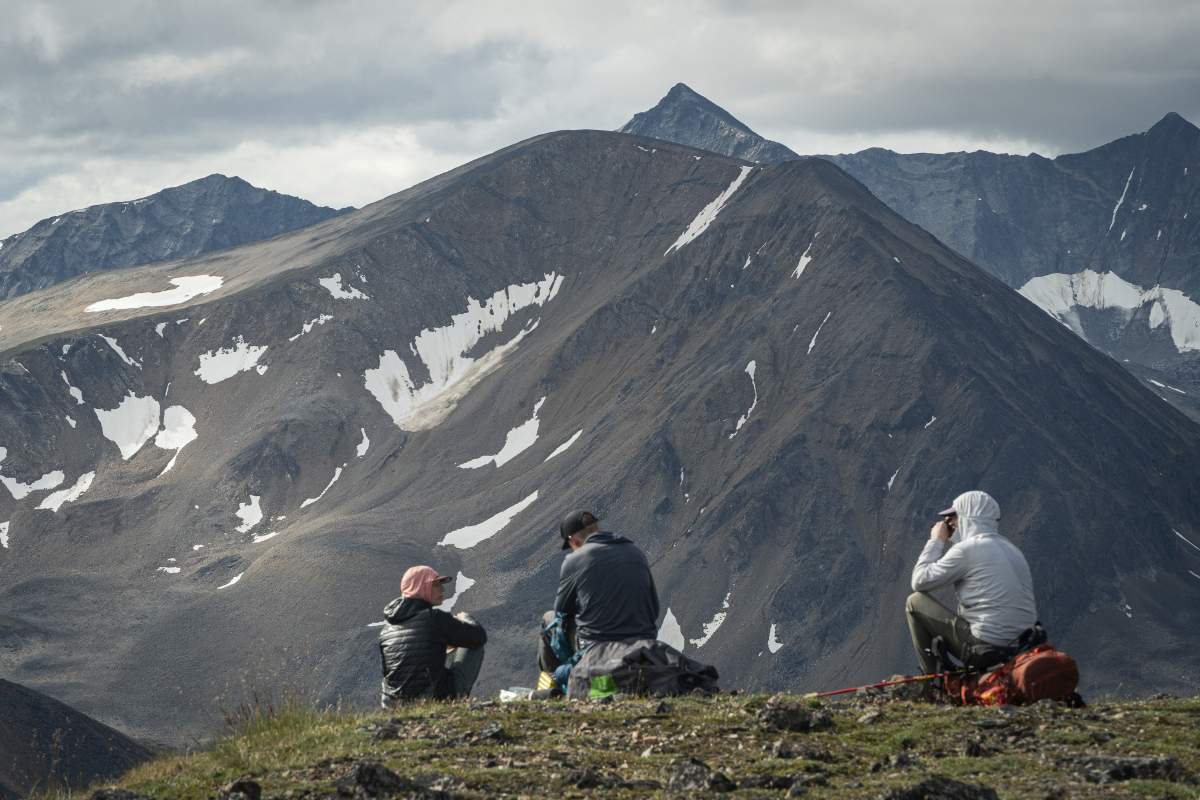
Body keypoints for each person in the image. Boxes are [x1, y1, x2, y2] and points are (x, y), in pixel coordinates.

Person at [906, 490, 1038, 675]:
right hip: (1022, 647)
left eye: (953, 517)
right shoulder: (1012, 549)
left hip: (985, 649)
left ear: (968, 517)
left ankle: (931, 682)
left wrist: (936, 540)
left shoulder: (968, 549)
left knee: (914, 602)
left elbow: (919, 581)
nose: (949, 523)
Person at [537, 510, 660, 690]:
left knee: (548, 620)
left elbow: (562, 609)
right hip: (644, 643)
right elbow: (654, 608)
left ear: (574, 540)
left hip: (599, 646)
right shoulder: (635, 551)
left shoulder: (575, 559)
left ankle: (557, 686)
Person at [379, 565, 486, 707]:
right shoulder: (434, 618)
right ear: (419, 587)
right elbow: (478, 637)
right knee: (474, 645)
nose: (442, 589)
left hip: (393, 703)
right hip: (432, 699)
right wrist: (466, 619)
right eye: (435, 585)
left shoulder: (387, 628)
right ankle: (456, 701)